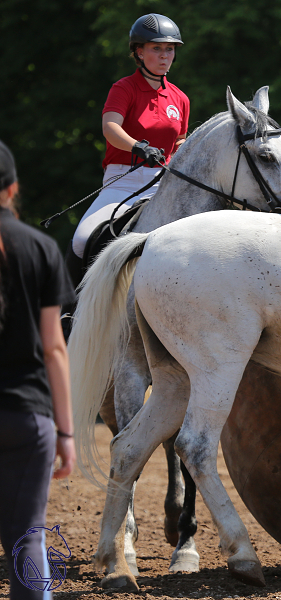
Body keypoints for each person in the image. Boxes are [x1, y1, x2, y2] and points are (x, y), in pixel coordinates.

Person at [0, 140, 77, 600]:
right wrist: (66, 433)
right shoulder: (43, 247)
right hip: (29, 417)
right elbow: (54, 348)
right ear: (13, 189)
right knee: (28, 537)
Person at [68, 13, 189, 285]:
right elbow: (110, 128)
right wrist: (138, 147)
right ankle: (69, 311)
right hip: (123, 181)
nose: (164, 56)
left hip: (164, 184)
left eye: (169, 49)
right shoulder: (124, 88)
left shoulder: (180, 98)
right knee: (82, 239)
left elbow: (179, 142)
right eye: (156, 48)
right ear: (138, 51)